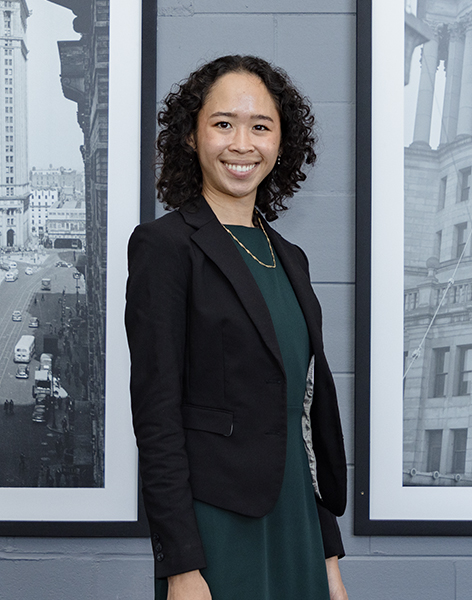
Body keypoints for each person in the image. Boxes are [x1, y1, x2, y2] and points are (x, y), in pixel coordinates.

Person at [125, 55, 348, 600]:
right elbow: (157, 420)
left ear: (281, 142)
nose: (242, 143)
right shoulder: (165, 247)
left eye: (260, 126)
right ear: (191, 136)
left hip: (298, 526)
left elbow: (300, 421)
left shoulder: (290, 257)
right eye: (223, 124)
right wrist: (181, 568)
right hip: (217, 531)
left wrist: (330, 558)